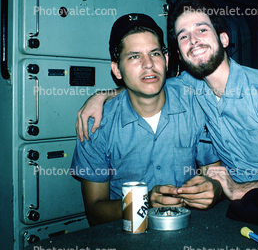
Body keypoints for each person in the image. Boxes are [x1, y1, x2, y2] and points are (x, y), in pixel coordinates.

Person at [77, 0, 258, 204]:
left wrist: (238, 189)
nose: (193, 40)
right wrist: (102, 96)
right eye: (183, 36)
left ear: (224, 39)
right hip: (238, 208)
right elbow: (144, 83)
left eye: (202, 29)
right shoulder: (189, 86)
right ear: (180, 56)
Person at [71, 13, 222, 227]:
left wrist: (214, 189)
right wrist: (143, 202)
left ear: (166, 60)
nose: (149, 64)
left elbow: (214, 175)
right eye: (134, 56)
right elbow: (95, 211)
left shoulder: (194, 105)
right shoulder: (96, 125)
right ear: (117, 69)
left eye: (155, 53)